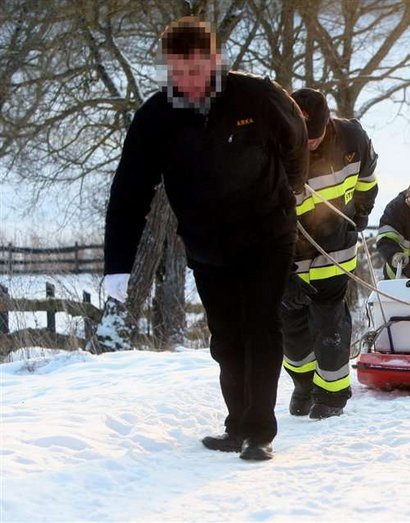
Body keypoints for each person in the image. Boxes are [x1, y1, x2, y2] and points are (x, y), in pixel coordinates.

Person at [102, 17, 308, 460]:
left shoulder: (257, 96)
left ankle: (259, 431)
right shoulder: (157, 117)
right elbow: (129, 189)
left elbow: (296, 143)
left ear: (215, 62)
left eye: (195, 72)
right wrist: (117, 262)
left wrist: (287, 190)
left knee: (261, 326)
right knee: (226, 336)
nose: (187, 83)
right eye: (177, 73)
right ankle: (237, 425)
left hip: (267, 234)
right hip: (207, 244)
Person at [281, 88, 378, 419]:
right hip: (286, 255)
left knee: (329, 321)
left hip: (334, 247)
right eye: (301, 138)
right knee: (291, 330)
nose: (308, 145)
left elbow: (367, 178)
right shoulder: (272, 144)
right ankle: (304, 384)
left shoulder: (352, 138)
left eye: (315, 138)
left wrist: (361, 213)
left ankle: (332, 395)